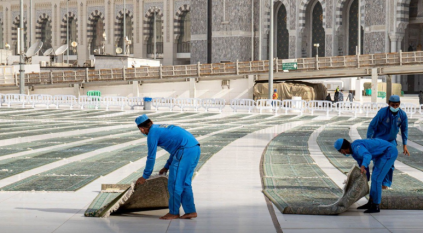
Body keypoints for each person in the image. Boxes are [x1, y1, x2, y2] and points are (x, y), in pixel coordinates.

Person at [135, 114, 201, 220]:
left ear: (142, 129)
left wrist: (145, 176)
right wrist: (166, 166)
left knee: (174, 183)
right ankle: (190, 211)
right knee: (185, 183)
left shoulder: (152, 134)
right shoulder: (160, 128)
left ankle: (174, 212)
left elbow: (151, 157)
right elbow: (175, 149)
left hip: (185, 151)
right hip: (194, 149)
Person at [334, 138, 398, 213]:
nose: (343, 153)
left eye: (341, 152)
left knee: (376, 179)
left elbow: (367, 155)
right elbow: (363, 168)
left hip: (389, 152)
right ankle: (371, 202)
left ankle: (376, 205)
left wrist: (363, 166)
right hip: (382, 154)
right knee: (375, 178)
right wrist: (362, 178)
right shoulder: (354, 153)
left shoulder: (357, 148)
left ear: (343, 150)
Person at [367, 95, 409, 190]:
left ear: (399, 104)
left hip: (391, 142)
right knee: (378, 163)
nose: (394, 107)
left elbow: (404, 130)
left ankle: (385, 185)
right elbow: (372, 126)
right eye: (393, 105)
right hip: (379, 141)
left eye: (396, 105)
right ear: (389, 104)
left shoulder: (402, 115)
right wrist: (369, 141)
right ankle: (376, 184)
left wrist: (404, 145)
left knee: (389, 164)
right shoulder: (382, 113)